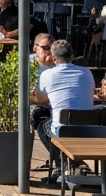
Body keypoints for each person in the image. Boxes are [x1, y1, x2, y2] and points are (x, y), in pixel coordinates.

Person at [31, 39, 95, 168]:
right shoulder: (87, 73)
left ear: (54, 58)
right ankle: (72, 163)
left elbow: (40, 98)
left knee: (39, 118)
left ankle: (63, 165)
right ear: (72, 56)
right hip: (88, 129)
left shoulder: (47, 75)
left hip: (63, 130)